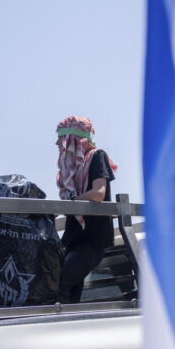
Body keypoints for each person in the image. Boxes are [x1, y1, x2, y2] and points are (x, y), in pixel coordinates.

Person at [56, 116, 118, 303]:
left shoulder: (97, 156)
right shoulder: (71, 170)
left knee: (61, 283)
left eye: (63, 141)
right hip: (73, 239)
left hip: (92, 241)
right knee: (69, 290)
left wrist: (74, 201)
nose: (59, 145)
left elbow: (99, 193)